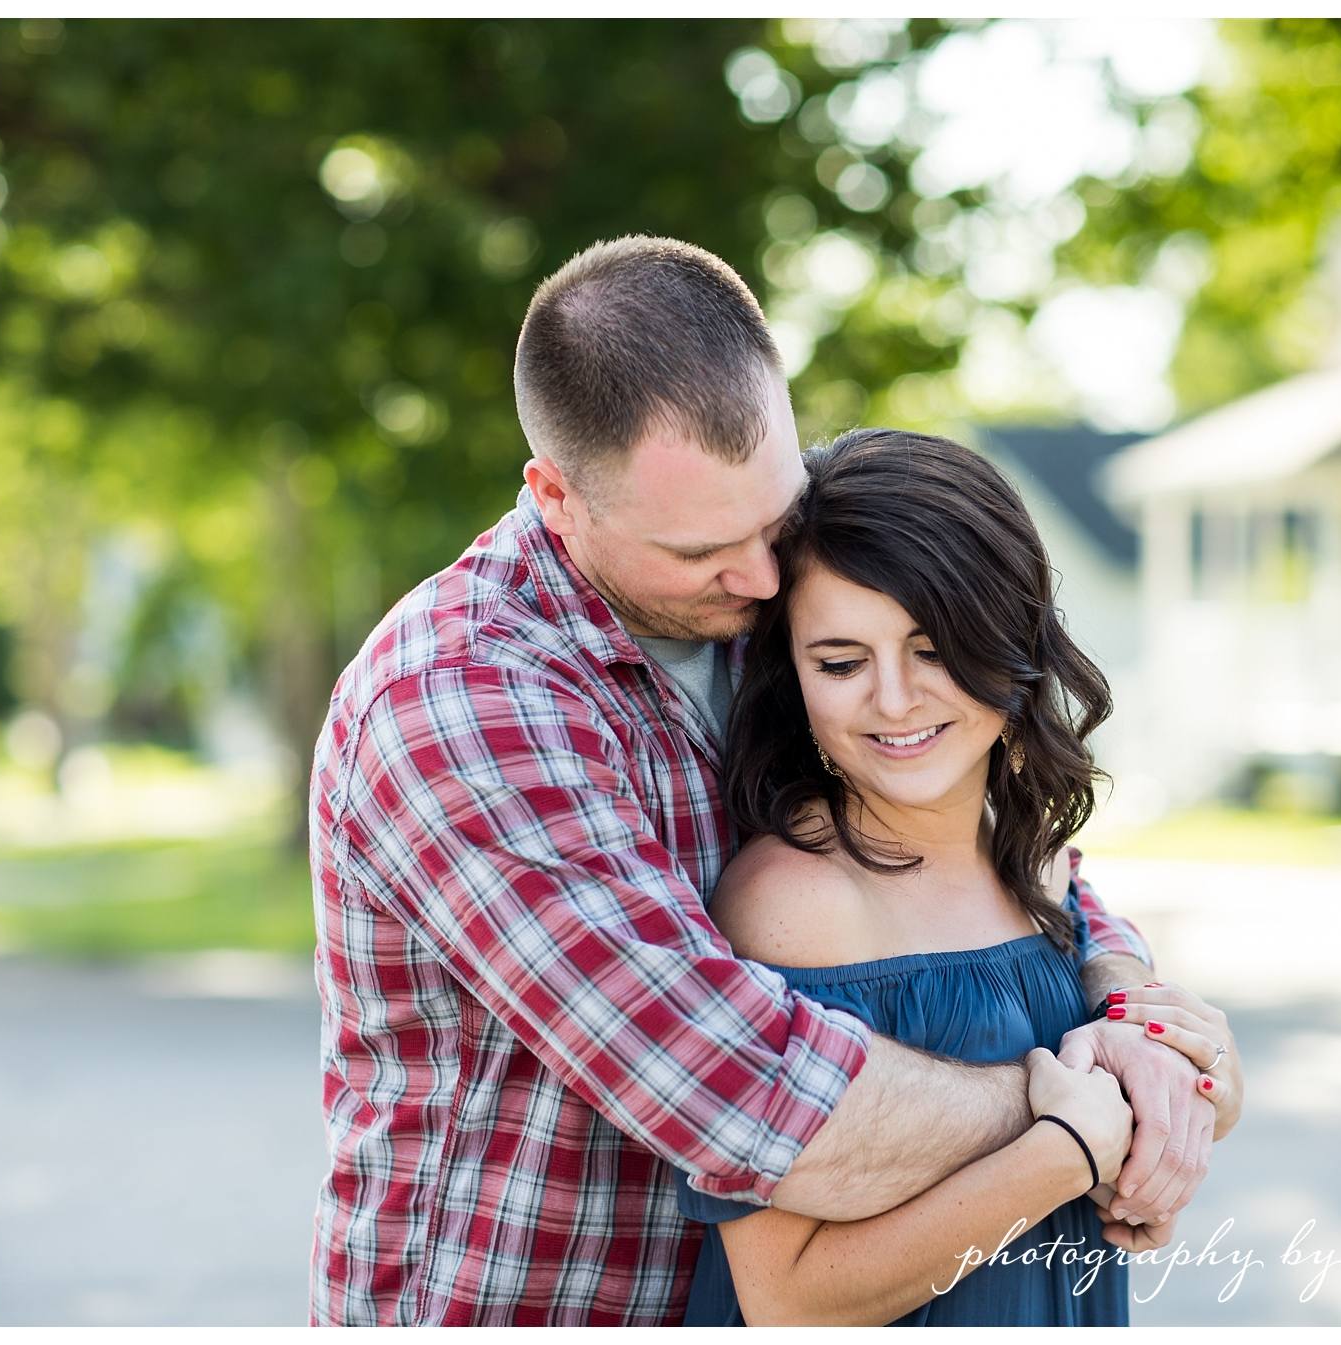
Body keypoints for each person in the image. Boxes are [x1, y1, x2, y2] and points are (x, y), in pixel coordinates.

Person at [307, 236, 1242, 1326]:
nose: (760, 579)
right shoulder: (458, 702)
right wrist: (1078, 1113)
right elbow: (738, 1093)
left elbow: (976, 838)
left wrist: (1126, 1004)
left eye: (773, 516)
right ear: (555, 498)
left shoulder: (773, 602)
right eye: (704, 549)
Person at [671, 429, 1242, 1326]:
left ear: (1007, 638)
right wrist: (1065, 1152)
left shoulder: (1033, 853)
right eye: (842, 661)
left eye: (934, 648)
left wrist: (1187, 1078)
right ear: (796, 679)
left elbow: (1206, 1093)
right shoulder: (795, 901)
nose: (894, 700)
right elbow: (787, 1297)